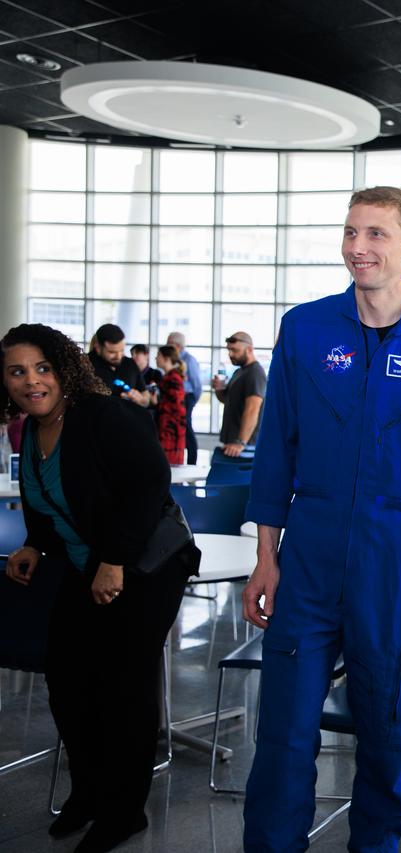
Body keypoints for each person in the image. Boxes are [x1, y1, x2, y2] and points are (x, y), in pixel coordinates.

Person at [239, 186, 401, 852]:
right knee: (284, 727)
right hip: (309, 553)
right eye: (351, 232)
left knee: (388, 724)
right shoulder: (305, 328)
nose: (358, 247)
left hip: (398, 559)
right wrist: (266, 556)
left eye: (376, 234)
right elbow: (277, 451)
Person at [2, 323, 199, 853]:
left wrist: (114, 561)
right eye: (17, 372)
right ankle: (89, 793)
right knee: (67, 679)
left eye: (42, 368)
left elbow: (149, 483)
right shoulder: (31, 428)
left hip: (146, 567)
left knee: (124, 686)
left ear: (63, 369)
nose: (31, 381)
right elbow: (51, 501)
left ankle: (124, 811)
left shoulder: (101, 415)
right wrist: (35, 544)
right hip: (87, 565)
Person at [210, 331, 266, 458]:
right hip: (234, 443)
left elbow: (252, 409)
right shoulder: (239, 372)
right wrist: (219, 388)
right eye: (229, 350)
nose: (230, 354)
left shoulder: (255, 373)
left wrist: (241, 442)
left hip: (244, 445)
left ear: (249, 349)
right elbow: (227, 400)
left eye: (235, 350)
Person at [165, 332, 202, 464]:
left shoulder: (189, 360)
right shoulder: (172, 359)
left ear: (178, 346)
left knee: (186, 427)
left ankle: (192, 461)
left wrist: (192, 401)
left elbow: (196, 384)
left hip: (186, 397)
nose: (166, 346)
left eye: (169, 343)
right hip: (176, 397)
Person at [87, 324, 146, 407]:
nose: (118, 356)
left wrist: (141, 400)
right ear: (98, 348)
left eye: (122, 351)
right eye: (112, 352)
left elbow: (145, 394)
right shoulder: (84, 365)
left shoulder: (130, 363)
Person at [153, 345, 187, 465]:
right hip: (169, 426)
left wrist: (158, 403)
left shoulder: (173, 378)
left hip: (171, 429)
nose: (156, 358)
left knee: (169, 463)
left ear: (166, 358)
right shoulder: (170, 376)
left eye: (158, 356)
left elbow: (177, 405)